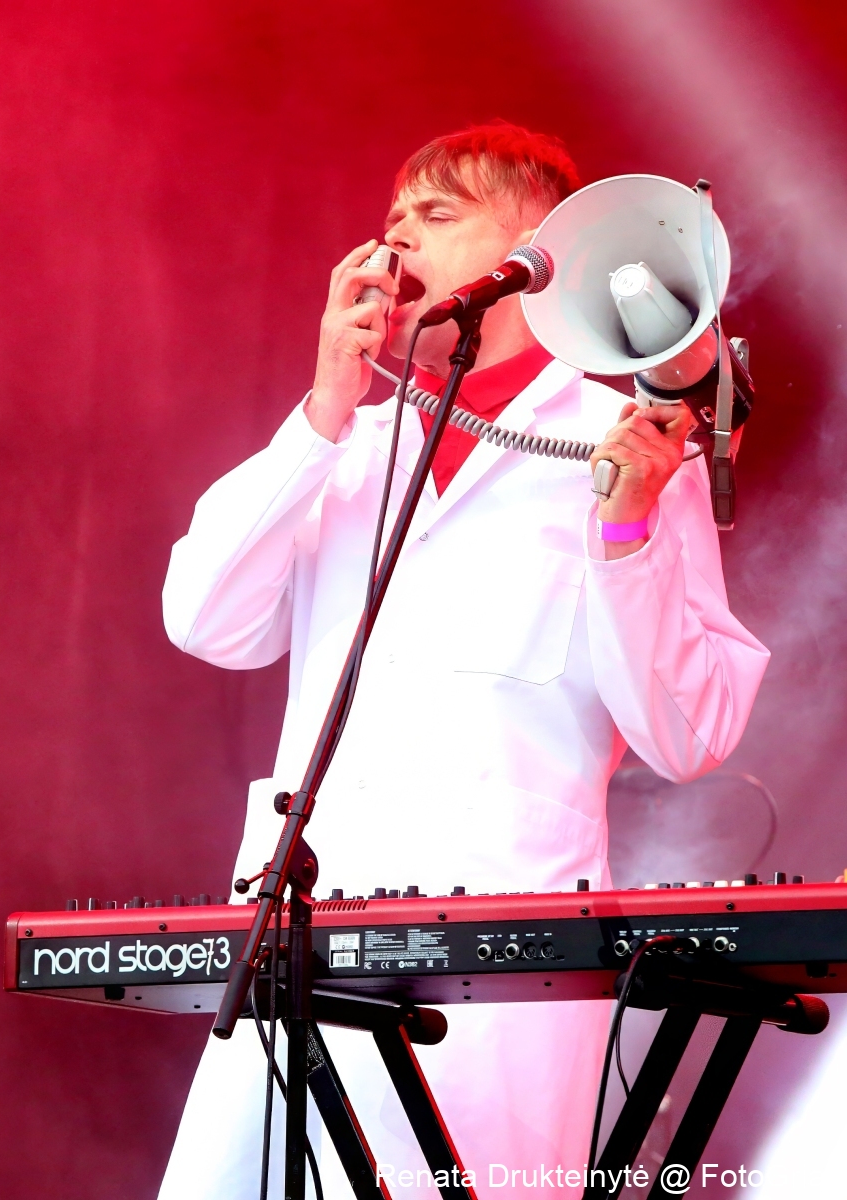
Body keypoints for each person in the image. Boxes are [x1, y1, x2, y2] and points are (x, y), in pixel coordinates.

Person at [157, 125, 770, 1199]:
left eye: (436, 216)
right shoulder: (347, 442)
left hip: (499, 953)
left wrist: (627, 530)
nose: (396, 240)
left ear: (538, 254)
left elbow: (691, 733)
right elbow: (203, 620)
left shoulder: (629, 439)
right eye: (391, 218)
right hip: (306, 931)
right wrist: (324, 406)